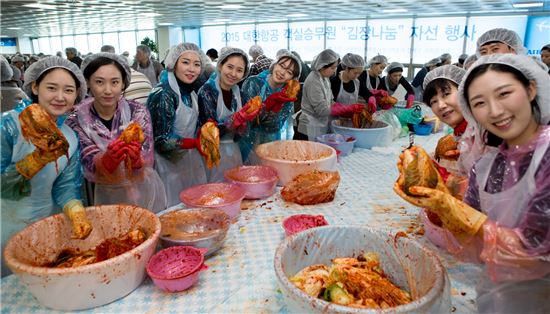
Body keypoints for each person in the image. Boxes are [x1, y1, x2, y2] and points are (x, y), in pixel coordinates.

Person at [395, 54, 550, 313]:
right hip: (499, 297)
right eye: (479, 102)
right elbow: (472, 248)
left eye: (504, 94)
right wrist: (443, 202)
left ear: (531, 88)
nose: (495, 110)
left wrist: (453, 208)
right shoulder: (486, 166)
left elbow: (535, 254)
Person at [1, 56, 92, 276]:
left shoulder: (69, 136)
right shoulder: (9, 126)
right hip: (5, 226)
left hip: (46, 224)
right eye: (52, 88)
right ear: (35, 86)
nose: (60, 97)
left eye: (69, 90)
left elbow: (66, 184)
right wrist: (38, 158)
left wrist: (77, 212)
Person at [67, 53, 166, 213]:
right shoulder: (77, 119)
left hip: (141, 188)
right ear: (88, 82)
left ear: (123, 84)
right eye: (99, 82)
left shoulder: (138, 112)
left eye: (115, 82)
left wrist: (136, 160)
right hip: (100, 192)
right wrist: (104, 162)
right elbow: (86, 162)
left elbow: (147, 156)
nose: (108, 90)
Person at [146, 43, 209, 207]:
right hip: (166, 165)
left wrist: (205, 131)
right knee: (172, 208)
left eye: (197, 64)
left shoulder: (191, 92)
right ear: (173, 64)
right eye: (185, 62)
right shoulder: (163, 94)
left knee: (190, 206)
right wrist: (193, 143)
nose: (191, 69)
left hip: (187, 160)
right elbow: (161, 140)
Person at [198, 47, 256, 182]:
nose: (233, 74)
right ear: (220, 65)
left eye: (239, 70)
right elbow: (209, 132)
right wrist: (235, 120)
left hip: (233, 151)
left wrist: (243, 127)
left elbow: (240, 135)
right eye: (230, 67)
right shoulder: (207, 91)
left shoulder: (239, 94)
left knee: (234, 187)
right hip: (212, 154)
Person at [240, 50, 301, 163]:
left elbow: (275, 127)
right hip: (247, 140)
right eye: (281, 66)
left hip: (270, 141)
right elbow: (247, 120)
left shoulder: (287, 96)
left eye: (289, 72)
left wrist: (275, 108)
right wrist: (267, 105)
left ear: (292, 78)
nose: (282, 72)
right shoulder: (253, 83)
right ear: (274, 64)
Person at [296, 49, 365, 141]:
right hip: (309, 127)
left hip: (320, 124)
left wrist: (345, 109)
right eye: (332, 68)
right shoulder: (314, 81)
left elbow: (330, 101)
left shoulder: (325, 78)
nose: (335, 71)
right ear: (322, 66)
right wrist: (346, 109)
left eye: (335, 67)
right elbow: (322, 110)